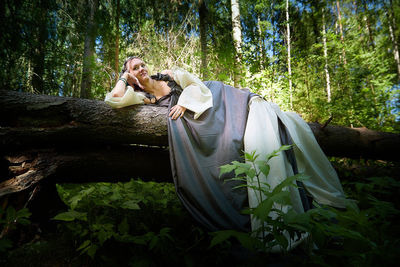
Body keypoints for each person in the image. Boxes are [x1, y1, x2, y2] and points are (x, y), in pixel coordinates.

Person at [105, 56, 348, 236]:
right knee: (225, 148)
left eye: (142, 64)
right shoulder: (143, 97)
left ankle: (243, 109)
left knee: (242, 117)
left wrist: (186, 103)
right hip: (198, 121)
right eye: (135, 68)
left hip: (209, 99)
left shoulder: (168, 74)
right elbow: (114, 100)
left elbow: (195, 84)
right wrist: (123, 78)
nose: (142, 68)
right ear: (132, 76)